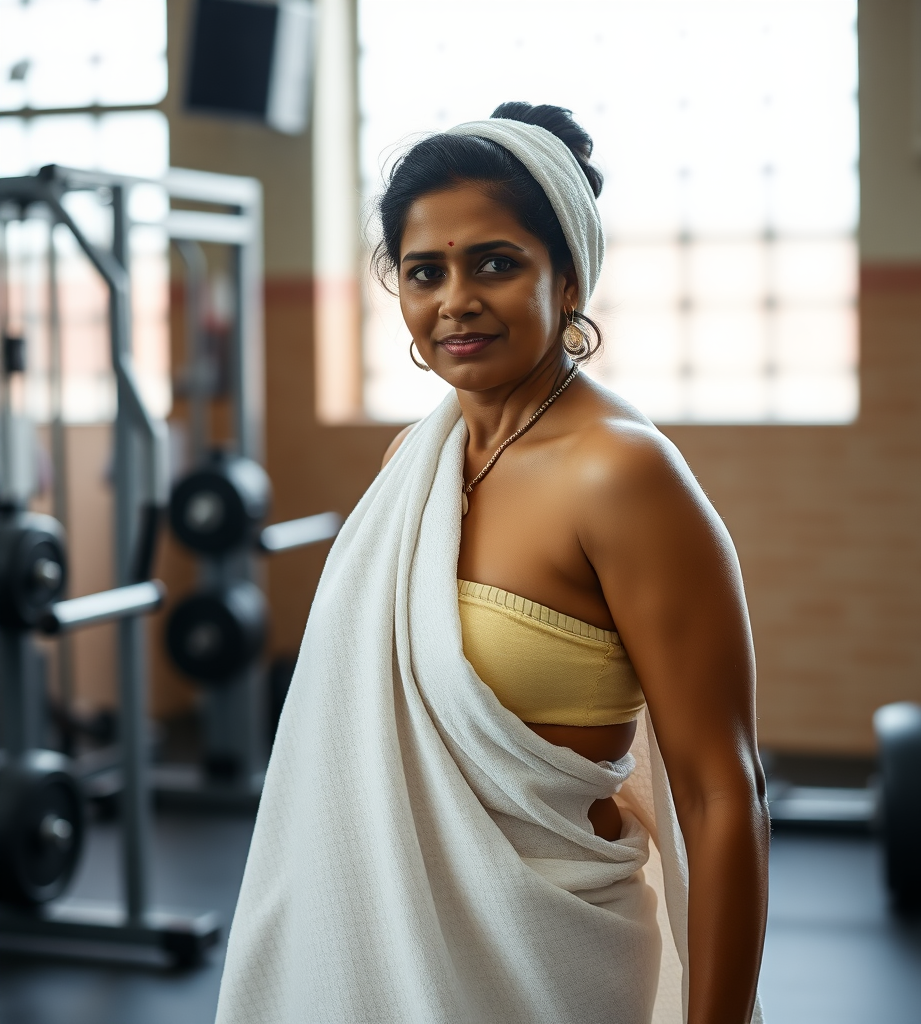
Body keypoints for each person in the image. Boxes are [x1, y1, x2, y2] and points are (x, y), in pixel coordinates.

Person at [216, 102, 768, 1024]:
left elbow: (720, 788)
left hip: (552, 955)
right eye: (425, 271)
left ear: (569, 278)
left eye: (497, 263)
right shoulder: (412, 464)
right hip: (382, 949)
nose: (456, 300)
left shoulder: (620, 474)